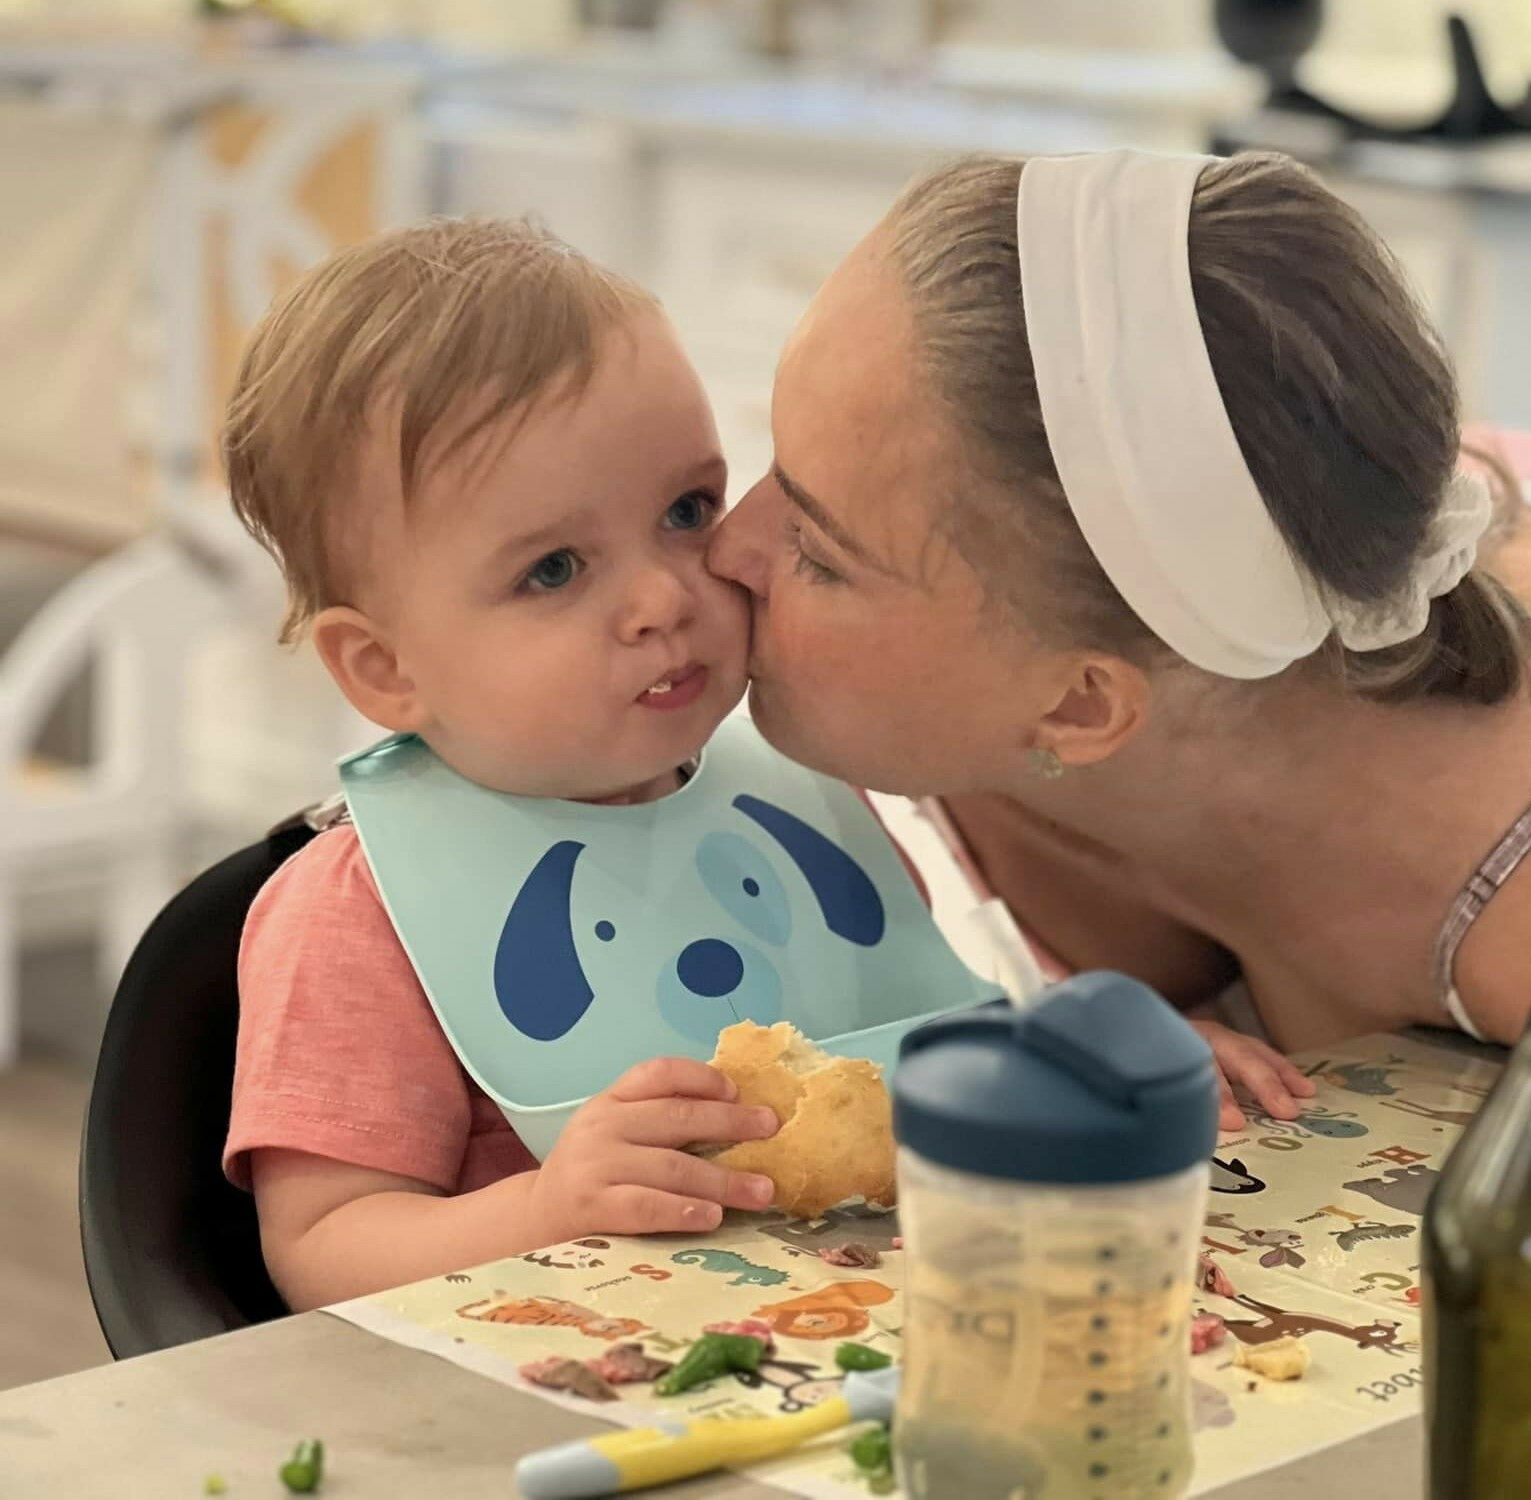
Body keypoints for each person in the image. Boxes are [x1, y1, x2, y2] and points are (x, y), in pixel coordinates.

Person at [217, 217, 1083, 1313]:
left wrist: (1095, 1056)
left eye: (685, 511)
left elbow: (931, 1046)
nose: (665, 597)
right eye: (554, 570)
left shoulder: (810, 789)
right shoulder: (353, 915)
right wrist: (546, 1209)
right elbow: (322, 1251)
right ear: (386, 668)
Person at [708, 149, 1531, 1083]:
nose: (724, 548)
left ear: (1083, 709)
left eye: (818, 552)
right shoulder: (1010, 695)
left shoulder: (1506, 909)